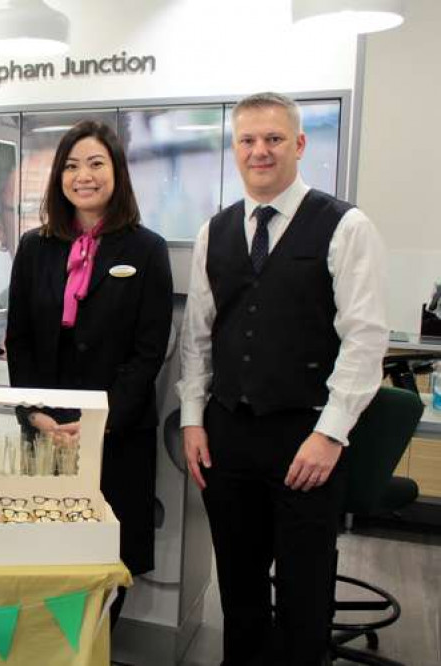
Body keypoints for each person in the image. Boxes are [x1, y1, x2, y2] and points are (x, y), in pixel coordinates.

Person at [178, 92, 388, 665]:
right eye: (247, 140)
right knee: (238, 586)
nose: (259, 151)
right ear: (235, 148)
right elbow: (198, 338)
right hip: (228, 435)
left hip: (306, 434)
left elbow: (367, 340)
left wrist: (331, 433)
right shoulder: (213, 232)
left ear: (298, 144)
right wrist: (193, 420)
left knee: (305, 590)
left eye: (273, 139)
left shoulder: (345, 226)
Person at [4, 119, 173, 627]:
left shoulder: (147, 249)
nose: (84, 176)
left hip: (115, 434)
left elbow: (149, 353)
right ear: (59, 177)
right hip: (45, 432)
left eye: (96, 163)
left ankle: (94, 649)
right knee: (44, 553)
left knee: (106, 558)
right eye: (72, 166)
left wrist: (101, 420)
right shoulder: (35, 248)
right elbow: (20, 339)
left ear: (117, 172)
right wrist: (34, 412)